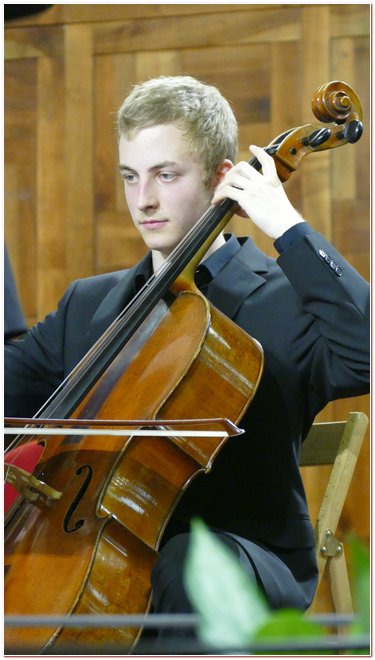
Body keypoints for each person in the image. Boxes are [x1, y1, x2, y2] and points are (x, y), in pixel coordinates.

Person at [5, 76, 370, 649]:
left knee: (184, 563)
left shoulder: (284, 300)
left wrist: (289, 229)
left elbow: (365, 354)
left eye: (165, 175)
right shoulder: (89, 306)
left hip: (242, 554)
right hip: (94, 548)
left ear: (223, 178)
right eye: (131, 176)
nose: (143, 199)